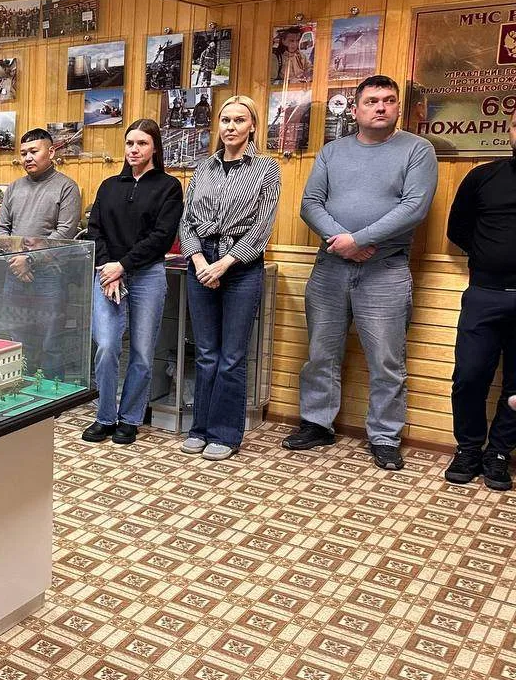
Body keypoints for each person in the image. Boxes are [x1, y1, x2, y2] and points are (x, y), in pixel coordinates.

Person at [284, 75, 438, 470]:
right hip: (330, 267)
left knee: (387, 360)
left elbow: (414, 207)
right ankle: (317, 424)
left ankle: (384, 436)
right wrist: (343, 241)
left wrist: (360, 239)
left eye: (388, 100)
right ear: (355, 110)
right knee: (321, 352)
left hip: (385, 270)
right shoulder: (332, 151)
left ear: (398, 107)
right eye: (371, 101)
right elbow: (310, 203)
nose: (380, 107)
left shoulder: (417, 150)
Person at [178, 95, 280, 461]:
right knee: (206, 353)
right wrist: (199, 260)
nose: (231, 127)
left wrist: (224, 264)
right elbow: (186, 221)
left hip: (241, 265)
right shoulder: (203, 168)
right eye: (225, 120)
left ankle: (225, 434)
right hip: (200, 260)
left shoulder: (267, 168)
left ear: (252, 126)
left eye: (239, 120)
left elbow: (262, 226)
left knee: (232, 356)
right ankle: (200, 429)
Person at [81, 119, 183, 446]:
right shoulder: (109, 186)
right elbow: (95, 230)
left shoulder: (169, 186)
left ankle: (129, 419)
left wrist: (122, 266)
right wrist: (108, 268)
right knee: (107, 345)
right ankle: (105, 416)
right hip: (106, 272)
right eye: (129, 143)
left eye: (142, 143)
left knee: (142, 351)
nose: (134, 149)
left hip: (147, 275)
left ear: (155, 148)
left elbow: (162, 237)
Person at [442, 107, 516, 491]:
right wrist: (490, 256)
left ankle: (499, 452)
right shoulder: (483, 176)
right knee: (469, 376)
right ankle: (469, 448)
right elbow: (458, 229)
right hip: (485, 294)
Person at [0, 128, 83, 377]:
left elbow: (64, 233)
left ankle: (53, 394)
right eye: (23, 153)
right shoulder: (14, 187)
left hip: (49, 275)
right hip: (15, 272)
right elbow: (1, 228)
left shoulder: (66, 187)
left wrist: (30, 260)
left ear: (51, 152)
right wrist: (17, 259)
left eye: (34, 151)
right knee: (17, 338)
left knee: (51, 341)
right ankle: (20, 390)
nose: (28, 158)